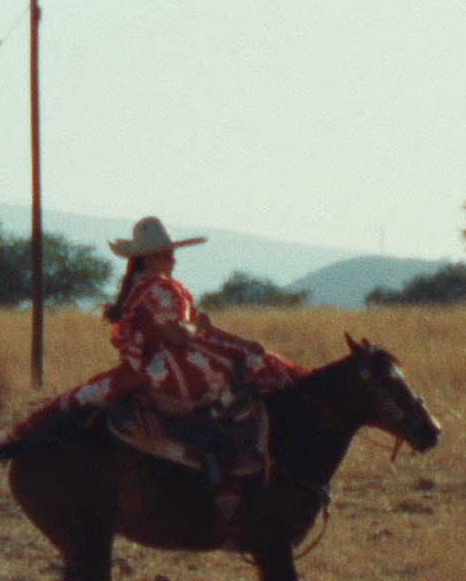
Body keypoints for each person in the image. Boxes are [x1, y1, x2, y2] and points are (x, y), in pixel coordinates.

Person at [40, 215, 309, 520]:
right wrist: (200, 328)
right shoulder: (159, 289)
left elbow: (187, 327)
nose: (174, 260)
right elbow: (178, 335)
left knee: (252, 358)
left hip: (163, 362)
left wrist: (228, 337)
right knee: (256, 367)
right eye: (169, 254)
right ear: (154, 257)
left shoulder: (147, 286)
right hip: (171, 364)